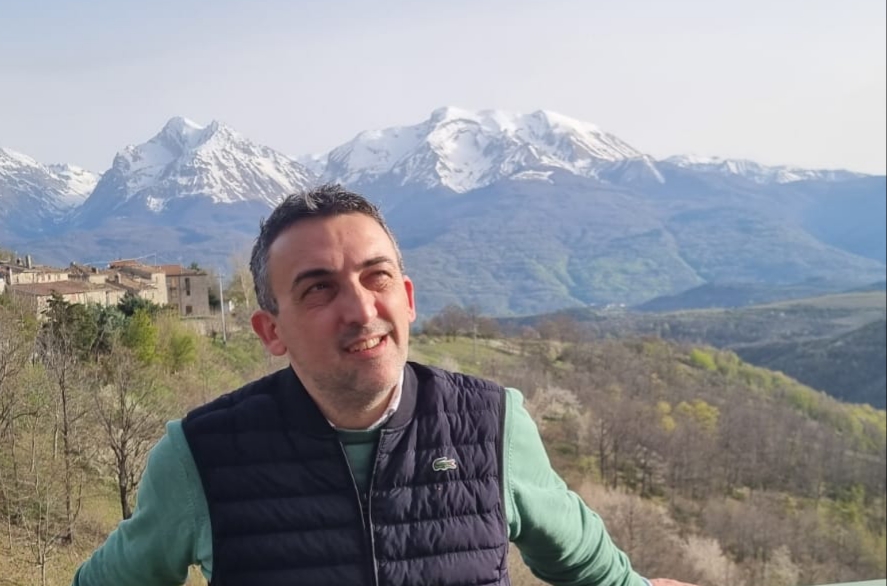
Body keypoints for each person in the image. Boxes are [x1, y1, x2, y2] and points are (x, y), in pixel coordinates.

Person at [72, 184, 697, 586]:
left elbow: (595, 571)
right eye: (319, 289)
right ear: (271, 331)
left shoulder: (494, 424)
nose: (361, 309)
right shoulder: (201, 456)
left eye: (378, 278)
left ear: (408, 298)